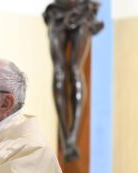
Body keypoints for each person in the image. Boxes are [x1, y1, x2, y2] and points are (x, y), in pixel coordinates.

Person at [43, 0, 103, 161]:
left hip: (81, 10)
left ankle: (72, 136)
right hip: (57, 12)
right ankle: (65, 136)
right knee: (59, 72)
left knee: (76, 69)